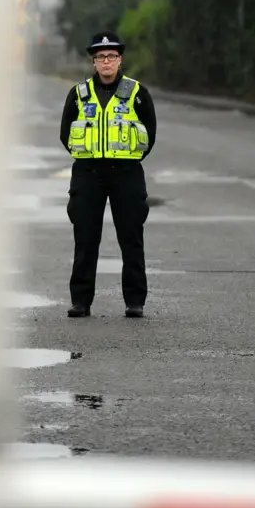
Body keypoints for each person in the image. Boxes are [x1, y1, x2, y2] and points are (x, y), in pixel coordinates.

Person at [60, 31, 157, 319]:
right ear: (93, 62)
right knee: (85, 239)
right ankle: (81, 301)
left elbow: (149, 133)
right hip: (88, 173)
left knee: (131, 238)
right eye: (101, 57)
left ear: (120, 60)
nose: (106, 61)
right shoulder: (79, 94)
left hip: (126, 173)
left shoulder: (137, 93)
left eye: (112, 56)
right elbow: (66, 133)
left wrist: (127, 158)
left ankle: (135, 301)